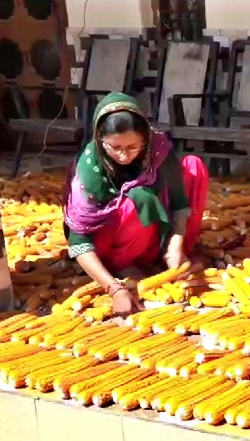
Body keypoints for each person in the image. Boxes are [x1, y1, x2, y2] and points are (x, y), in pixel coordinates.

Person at [63, 92, 209, 316]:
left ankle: (167, 255)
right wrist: (113, 288)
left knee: (193, 167)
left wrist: (176, 245)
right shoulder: (89, 169)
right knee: (139, 198)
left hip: (149, 232)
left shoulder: (158, 149)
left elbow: (179, 202)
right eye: (115, 148)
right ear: (100, 140)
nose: (124, 156)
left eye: (133, 147)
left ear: (146, 137)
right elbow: (78, 241)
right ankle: (122, 264)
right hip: (107, 241)